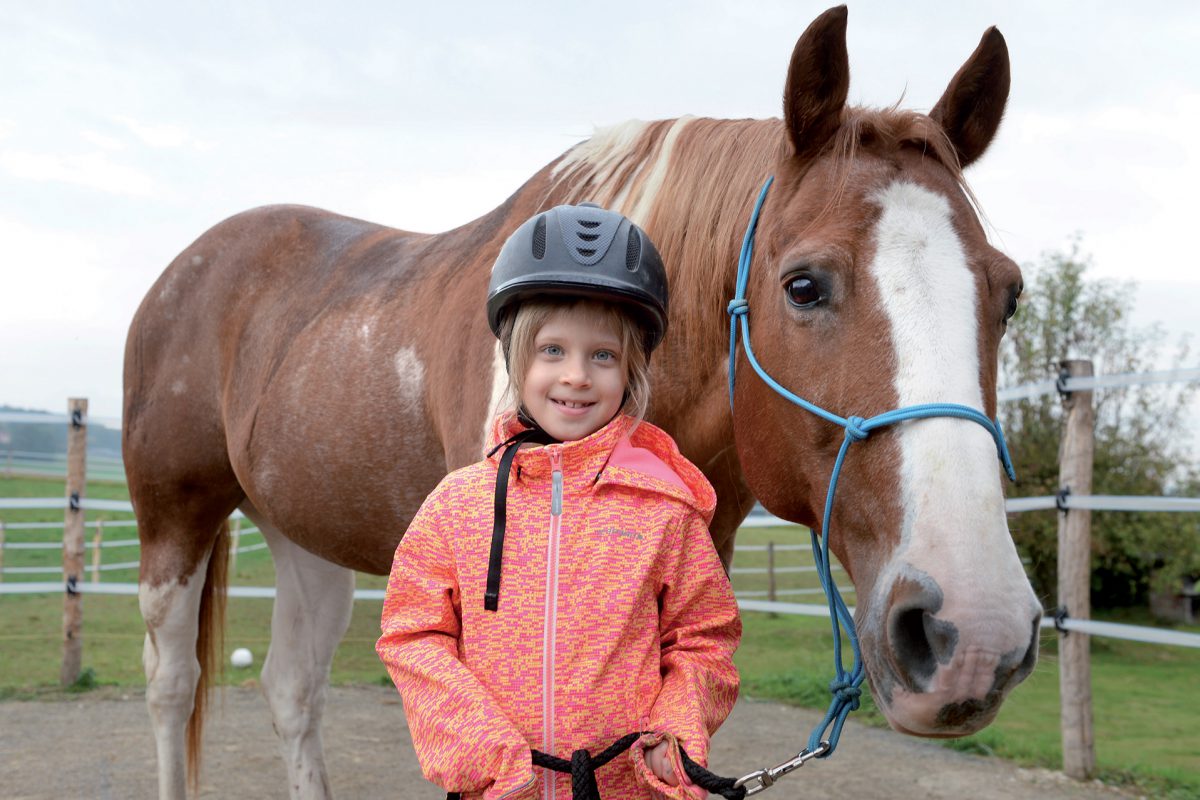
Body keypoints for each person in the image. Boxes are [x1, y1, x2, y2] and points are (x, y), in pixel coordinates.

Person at [377, 203, 741, 800]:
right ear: (518, 356)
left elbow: (704, 639)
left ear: (631, 372)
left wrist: (676, 726)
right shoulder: (456, 506)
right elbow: (412, 634)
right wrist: (481, 748)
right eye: (553, 350)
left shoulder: (664, 510)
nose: (576, 375)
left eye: (603, 355)